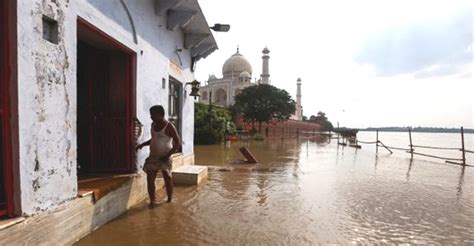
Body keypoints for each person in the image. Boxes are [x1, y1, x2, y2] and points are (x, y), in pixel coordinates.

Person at [136, 105, 181, 206]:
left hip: (166, 156)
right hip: (153, 157)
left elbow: (177, 142)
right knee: (150, 178)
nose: (151, 117)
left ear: (161, 115)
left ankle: (169, 200)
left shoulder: (169, 126)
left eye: (153, 115)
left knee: (167, 177)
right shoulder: (153, 125)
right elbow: (154, 139)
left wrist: (168, 155)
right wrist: (142, 144)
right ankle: (153, 200)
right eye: (151, 115)